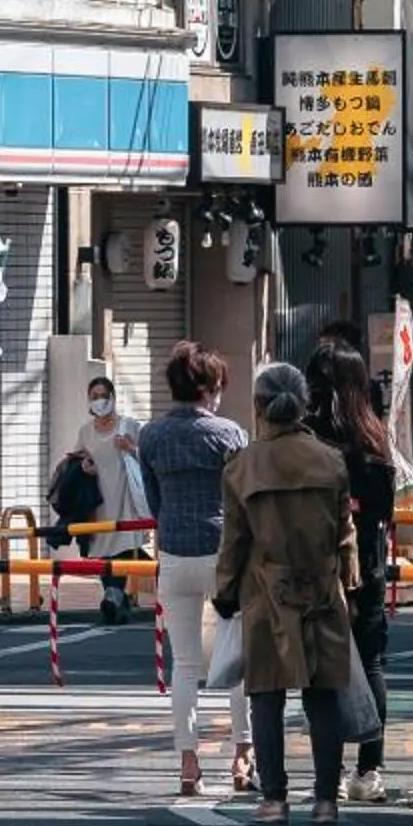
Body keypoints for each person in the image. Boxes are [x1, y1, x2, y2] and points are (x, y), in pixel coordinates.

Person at [214, 360, 358, 826]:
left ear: (259, 407)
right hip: (321, 586)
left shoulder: (243, 465)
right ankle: (326, 801)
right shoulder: (332, 460)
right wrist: (350, 584)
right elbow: (345, 532)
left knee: (267, 693)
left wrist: (225, 591)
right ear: (304, 404)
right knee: (323, 695)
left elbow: (234, 539)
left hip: (265, 590)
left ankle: (274, 798)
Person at [137, 340, 255, 795]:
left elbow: (153, 501)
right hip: (224, 555)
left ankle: (189, 763)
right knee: (236, 659)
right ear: (210, 387)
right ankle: (242, 756)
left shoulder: (151, 436)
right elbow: (244, 500)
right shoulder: (230, 435)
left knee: (185, 664)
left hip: (174, 554)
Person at [307, 341, 398, 803]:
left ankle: (332, 771)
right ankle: (370, 769)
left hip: (316, 567)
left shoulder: (308, 438)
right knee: (370, 661)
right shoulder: (374, 438)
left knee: (324, 671)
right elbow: (384, 510)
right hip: (368, 565)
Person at [48, 372, 147, 622]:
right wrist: (84, 467)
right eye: (94, 397)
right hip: (97, 501)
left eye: (104, 396)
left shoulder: (130, 426)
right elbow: (78, 459)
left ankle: (113, 597)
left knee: (123, 547)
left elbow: (148, 460)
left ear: (113, 397)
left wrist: (131, 448)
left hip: (125, 499)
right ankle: (116, 599)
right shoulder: (86, 431)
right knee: (103, 551)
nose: (99, 401)